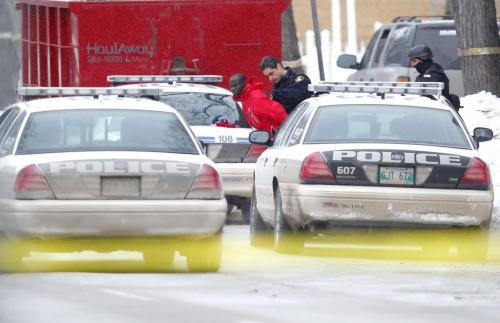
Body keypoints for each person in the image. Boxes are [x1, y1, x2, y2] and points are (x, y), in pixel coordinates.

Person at [408, 44, 461, 112]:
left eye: (414, 61)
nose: (412, 65)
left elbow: (425, 102)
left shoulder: (431, 76)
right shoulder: (429, 72)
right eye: (411, 62)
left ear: (424, 59)